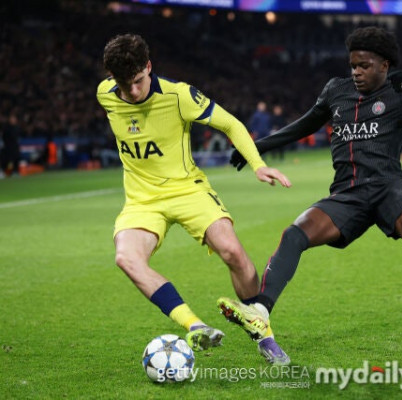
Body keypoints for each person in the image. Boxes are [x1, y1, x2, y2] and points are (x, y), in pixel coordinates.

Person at [218, 26, 402, 362]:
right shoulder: (337, 90)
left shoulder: (401, 91)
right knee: (294, 234)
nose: (356, 72)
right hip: (348, 193)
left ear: (384, 65)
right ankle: (260, 310)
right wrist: (256, 147)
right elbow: (305, 124)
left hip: (390, 189)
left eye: (364, 65)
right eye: (353, 65)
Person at [96, 34, 292, 362]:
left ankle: (263, 334)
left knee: (232, 251)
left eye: (138, 81)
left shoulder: (179, 95)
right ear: (111, 78)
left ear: (149, 66)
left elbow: (231, 124)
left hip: (188, 190)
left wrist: (258, 165)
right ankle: (195, 325)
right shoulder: (105, 94)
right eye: (123, 84)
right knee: (126, 258)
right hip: (142, 201)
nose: (133, 92)